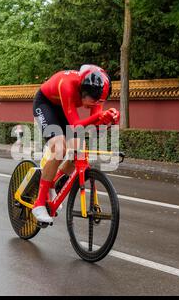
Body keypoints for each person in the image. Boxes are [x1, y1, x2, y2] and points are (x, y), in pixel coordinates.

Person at [32, 64, 120, 223]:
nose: (94, 106)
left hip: (65, 108)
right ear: (83, 91)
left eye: (99, 103)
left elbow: (94, 129)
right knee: (59, 148)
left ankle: (53, 182)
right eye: (92, 102)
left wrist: (108, 121)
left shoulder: (96, 94)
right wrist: (99, 118)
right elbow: (75, 126)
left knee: (78, 151)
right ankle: (38, 204)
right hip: (46, 104)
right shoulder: (68, 86)